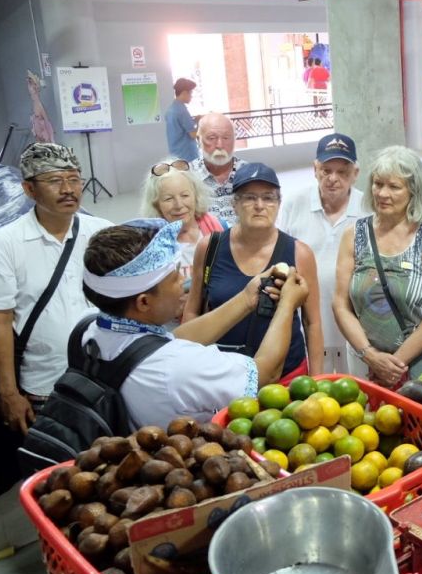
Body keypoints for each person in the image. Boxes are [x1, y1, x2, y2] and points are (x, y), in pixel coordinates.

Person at [81, 220, 311, 427]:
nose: (184, 281)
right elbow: (266, 374)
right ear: (143, 302)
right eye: (174, 278)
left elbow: (169, 341)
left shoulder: (88, 330)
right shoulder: (179, 367)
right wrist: (288, 305)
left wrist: (245, 299)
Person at [0, 142, 113, 434]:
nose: (68, 189)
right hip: (47, 385)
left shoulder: (103, 233)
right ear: (29, 190)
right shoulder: (2, 245)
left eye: (74, 179)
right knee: (57, 470)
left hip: (108, 378)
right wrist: (8, 392)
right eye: (54, 181)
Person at [184, 163, 323, 378]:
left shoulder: (299, 253)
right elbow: (193, 309)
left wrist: (317, 381)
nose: (259, 205)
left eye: (268, 198)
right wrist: (188, 361)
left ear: (278, 203)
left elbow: (311, 322)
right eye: (249, 198)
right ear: (235, 204)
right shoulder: (210, 247)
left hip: (285, 375)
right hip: (222, 373)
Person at [335, 147, 422, 388]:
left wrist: (393, 364)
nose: (382, 193)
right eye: (378, 184)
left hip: (419, 362)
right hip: (363, 358)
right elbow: (340, 304)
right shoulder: (353, 235)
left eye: (394, 187)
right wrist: (370, 355)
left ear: (413, 191)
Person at [278, 134, 364, 373]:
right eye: (326, 170)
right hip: (309, 328)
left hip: (355, 333)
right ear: (315, 169)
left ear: (355, 174)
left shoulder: (368, 208)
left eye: (342, 172)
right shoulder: (295, 203)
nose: (333, 179)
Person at [138, 158, 224, 320]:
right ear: (156, 205)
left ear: (195, 196)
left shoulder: (219, 228)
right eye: (168, 199)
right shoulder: (147, 246)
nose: (179, 205)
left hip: (217, 318)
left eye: (185, 195)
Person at [190, 112, 249, 228]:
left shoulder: (249, 174)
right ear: (198, 140)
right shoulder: (187, 176)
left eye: (226, 138)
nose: (220, 145)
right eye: (212, 138)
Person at [164, 78, 199, 161]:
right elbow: (193, 135)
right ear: (184, 93)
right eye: (191, 93)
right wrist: (201, 124)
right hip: (187, 156)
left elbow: (179, 128)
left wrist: (195, 120)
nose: (191, 96)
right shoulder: (182, 111)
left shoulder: (171, 109)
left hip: (176, 154)